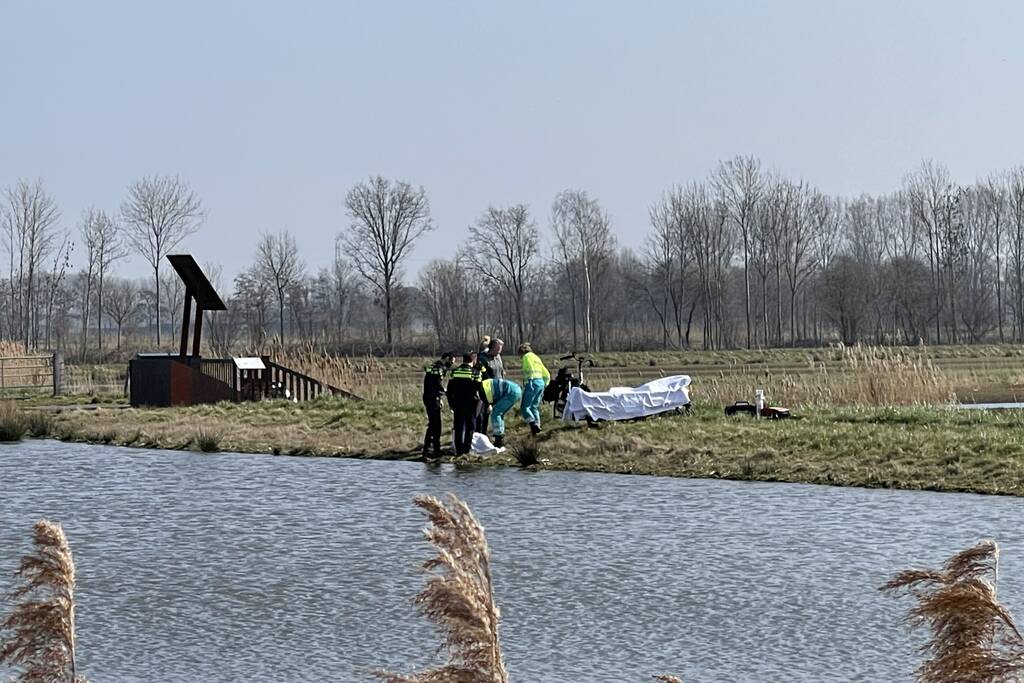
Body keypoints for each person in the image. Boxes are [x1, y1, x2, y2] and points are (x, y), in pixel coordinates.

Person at [446, 352, 483, 456]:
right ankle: (466, 450)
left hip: (457, 403)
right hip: (471, 403)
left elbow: (449, 390)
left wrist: (451, 403)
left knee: (458, 426)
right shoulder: (475, 373)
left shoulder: (454, 371)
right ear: (473, 360)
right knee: (470, 427)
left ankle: (458, 450)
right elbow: (480, 389)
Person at [421, 352, 454, 458]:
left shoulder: (433, 366)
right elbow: (438, 384)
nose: (451, 364)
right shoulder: (440, 368)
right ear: (447, 358)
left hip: (429, 397)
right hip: (433, 398)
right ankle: (431, 449)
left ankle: (431, 448)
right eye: (451, 361)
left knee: (434, 423)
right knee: (435, 424)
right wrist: (446, 391)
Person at [480, 376, 522, 448]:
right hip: (515, 389)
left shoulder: (480, 390)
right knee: (499, 414)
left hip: (510, 392)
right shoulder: (483, 384)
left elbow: (487, 399)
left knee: (496, 414)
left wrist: (488, 405)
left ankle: (498, 439)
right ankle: (500, 437)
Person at [518, 343, 550, 435]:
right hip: (541, 383)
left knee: (525, 407)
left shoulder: (526, 357)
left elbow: (530, 368)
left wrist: (530, 380)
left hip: (532, 383)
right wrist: (545, 384)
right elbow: (546, 373)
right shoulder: (537, 358)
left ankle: (533, 424)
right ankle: (537, 429)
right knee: (534, 407)